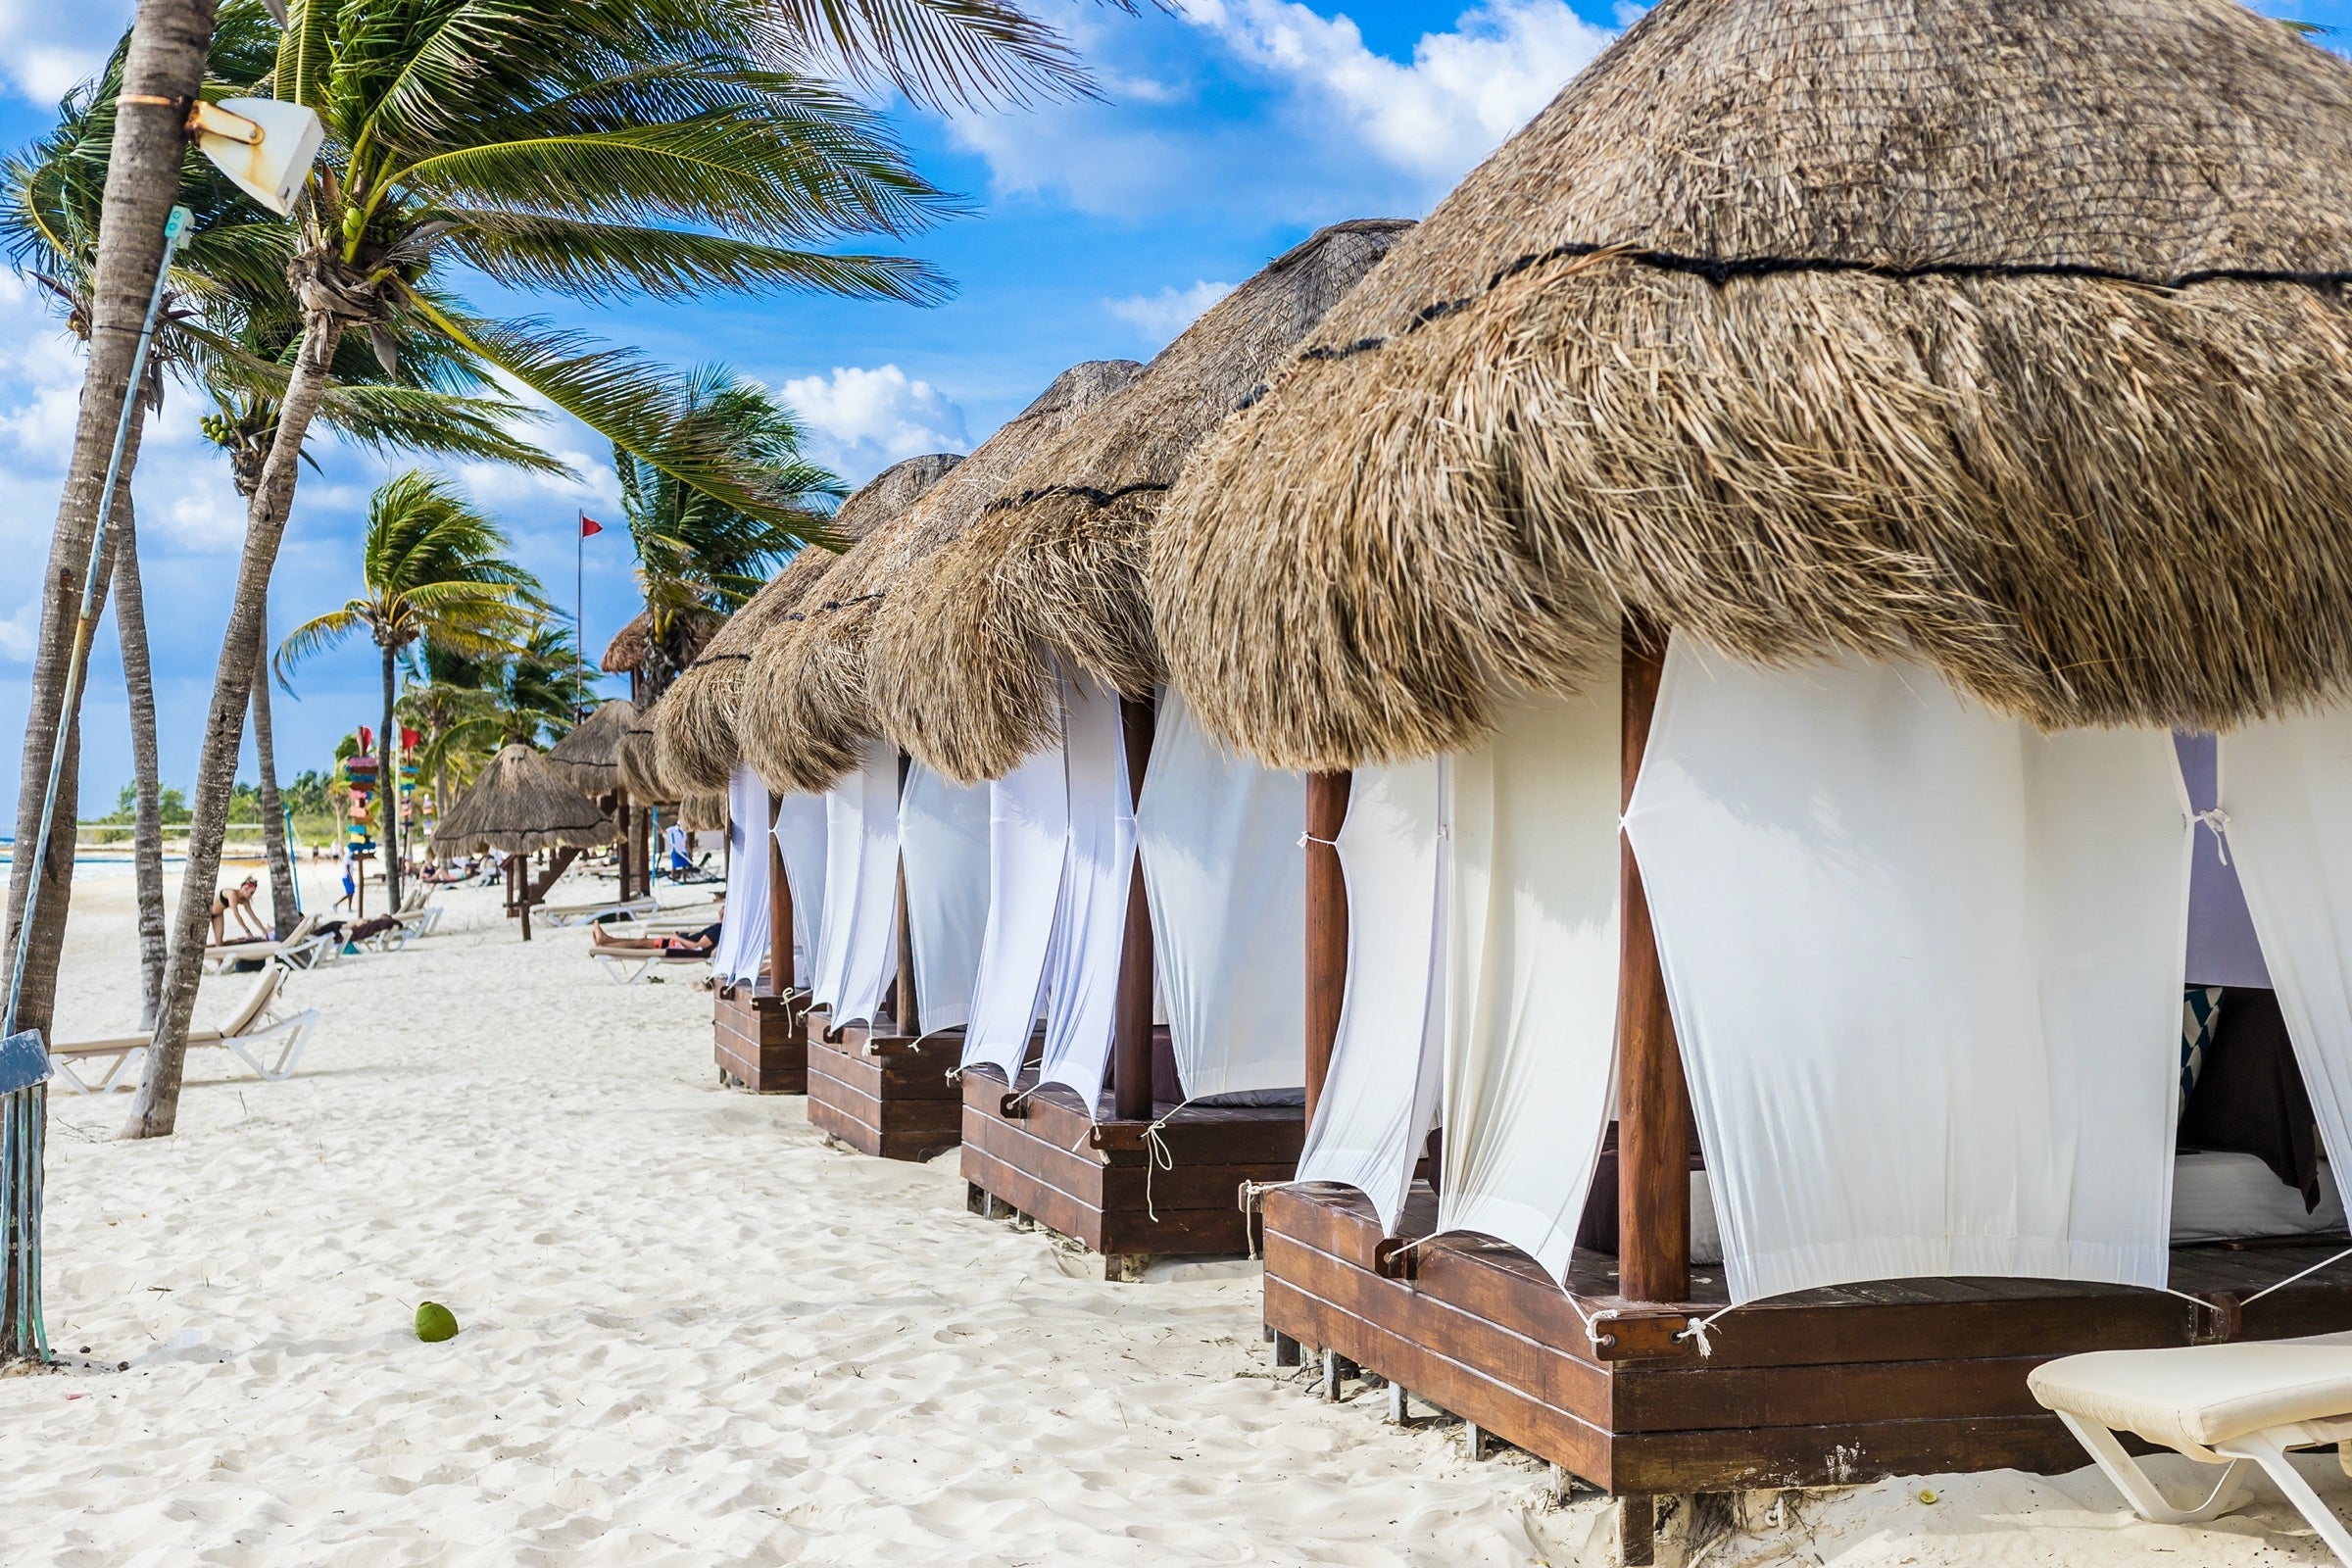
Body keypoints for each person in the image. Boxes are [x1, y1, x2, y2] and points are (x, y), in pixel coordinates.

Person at [211, 877, 267, 945]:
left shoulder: (244, 901)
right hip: (207, 911)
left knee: (219, 943)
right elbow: (236, 915)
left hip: (218, 915)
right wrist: (247, 931)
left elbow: (253, 917)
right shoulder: (232, 894)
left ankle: (231, 943)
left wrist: (264, 930)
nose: (251, 896)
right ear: (245, 888)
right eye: (251, 893)